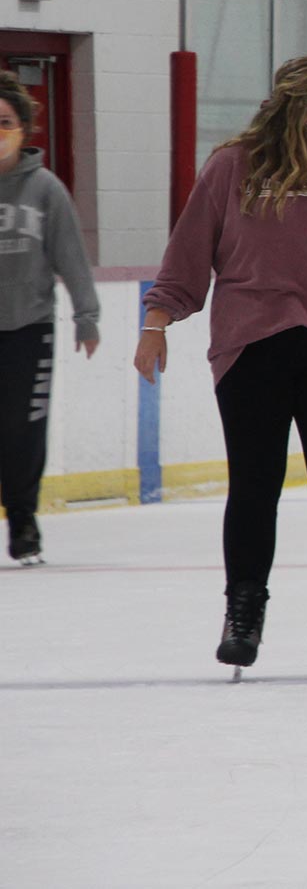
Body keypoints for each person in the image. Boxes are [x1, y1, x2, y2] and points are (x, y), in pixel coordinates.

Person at [137, 56, 307, 675]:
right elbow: (187, 258)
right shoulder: (233, 166)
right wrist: (156, 323)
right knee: (254, 488)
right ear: (304, 104)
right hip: (252, 347)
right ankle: (243, 612)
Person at [0, 73, 99, 566]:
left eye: (4, 122)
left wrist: (87, 315)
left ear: (23, 128)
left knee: (22, 429)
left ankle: (22, 520)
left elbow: (71, 257)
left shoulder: (45, 190)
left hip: (29, 329)